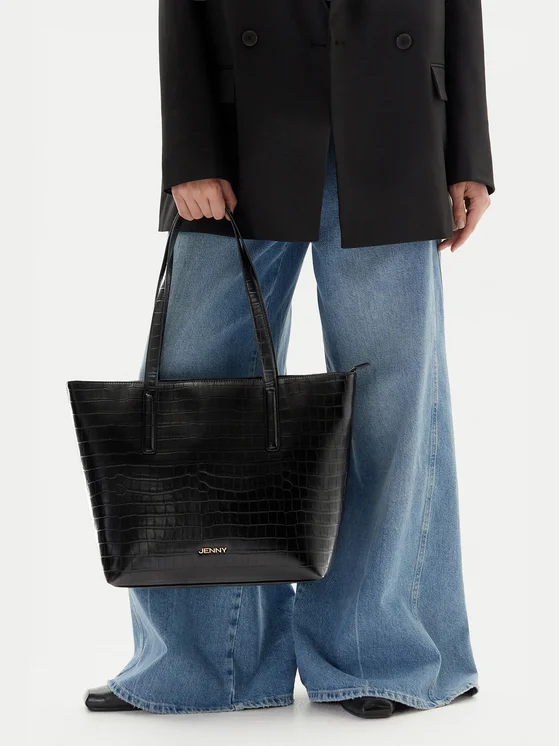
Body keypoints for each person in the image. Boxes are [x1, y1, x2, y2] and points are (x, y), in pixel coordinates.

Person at [85, 0, 493, 719]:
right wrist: (191, 150)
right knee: (196, 389)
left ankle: (383, 654)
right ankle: (208, 664)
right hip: (243, 122)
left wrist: (468, 154)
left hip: (397, 116)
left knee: (392, 404)